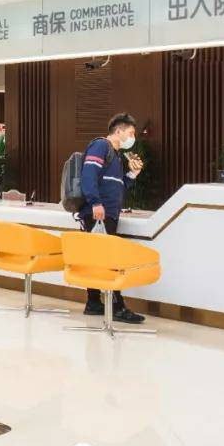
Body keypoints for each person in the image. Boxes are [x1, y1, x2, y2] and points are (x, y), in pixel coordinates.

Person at [79, 113, 146, 323]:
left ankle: (93, 303)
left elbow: (118, 186)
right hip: (98, 213)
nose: (132, 138)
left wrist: (133, 174)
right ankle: (117, 307)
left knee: (96, 259)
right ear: (118, 131)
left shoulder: (116, 156)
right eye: (131, 133)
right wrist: (95, 202)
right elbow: (88, 175)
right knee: (109, 259)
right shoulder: (101, 146)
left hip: (108, 213)